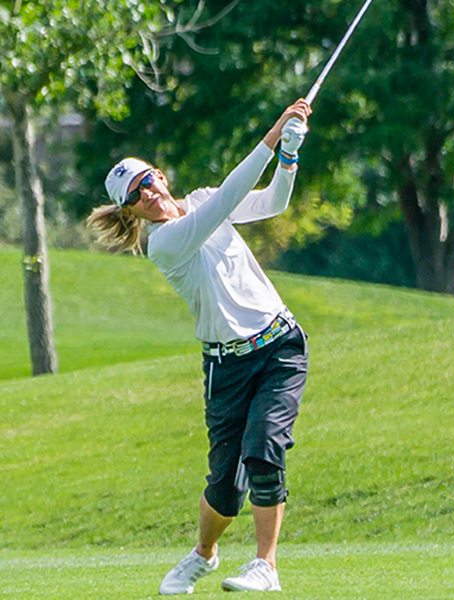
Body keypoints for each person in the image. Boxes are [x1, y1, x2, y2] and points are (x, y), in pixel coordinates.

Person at [87, 99, 313, 594]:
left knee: (264, 451)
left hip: (279, 347)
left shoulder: (203, 200)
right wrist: (274, 133)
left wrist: (289, 156)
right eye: (135, 195)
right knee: (225, 488)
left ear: (161, 176)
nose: (148, 194)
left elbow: (272, 203)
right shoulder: (164, 242)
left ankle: (266, 566)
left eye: (148, 181)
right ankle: (204, 554)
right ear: (130, 210)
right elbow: (229, 195)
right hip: (225, 367)